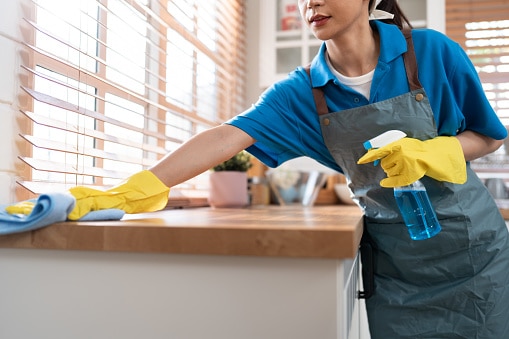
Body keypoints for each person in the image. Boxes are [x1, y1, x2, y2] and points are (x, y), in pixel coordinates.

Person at [17, 0, 509, 337]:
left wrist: (438, 152)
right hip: (399, 270)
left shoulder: (430, 53)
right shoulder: (303, 92)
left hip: (477, 255)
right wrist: (133, 190)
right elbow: (224, 137)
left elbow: (487, 135)